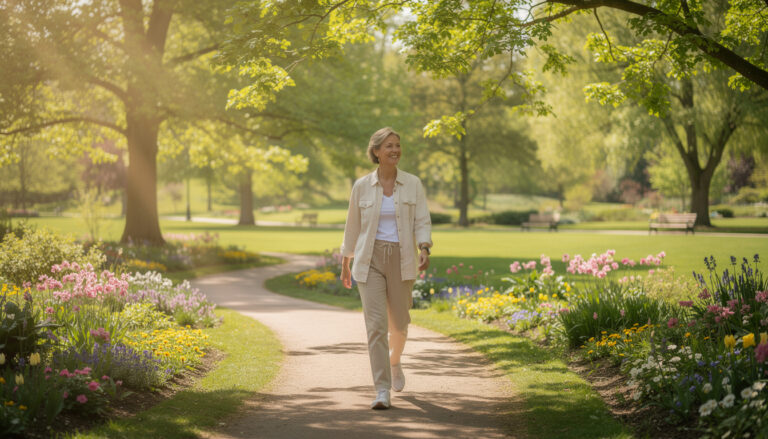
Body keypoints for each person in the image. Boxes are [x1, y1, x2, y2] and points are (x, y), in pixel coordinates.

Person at [340, 127, 432, 410]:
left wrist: (424, 246)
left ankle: (395, 361)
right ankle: (381, 389)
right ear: (376, 151)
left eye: (398, 145)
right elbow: (352, 227)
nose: (395, 150)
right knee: (376, 327)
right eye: (389, 146)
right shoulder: (362, 186)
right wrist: (346, 261)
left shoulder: (413, 184)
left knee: (400, 326)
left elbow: (422, 220)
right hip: (370, 259)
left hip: (402, 259)